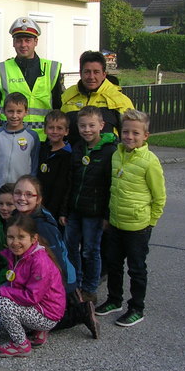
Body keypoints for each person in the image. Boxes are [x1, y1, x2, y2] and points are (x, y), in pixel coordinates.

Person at [96, 109, 166, 327]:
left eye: (136, 133)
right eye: (126, 132)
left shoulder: (149, 161)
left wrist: (150, 222)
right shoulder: (116, 154)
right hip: (116, 223)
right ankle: (114, 299)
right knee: (114, 264)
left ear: (146, 135)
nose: (129, 137)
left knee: (136, 268)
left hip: (138, 226)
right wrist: (108, 216)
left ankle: (137, 307)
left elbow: (159, 196)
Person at [13, 175, 98, 339]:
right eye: (18, 193)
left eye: (29, 194)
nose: (22, 198)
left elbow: (56, 263)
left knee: (32, 322)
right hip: (38, 275)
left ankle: (81, 312)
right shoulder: (20, 216)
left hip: (61, 281)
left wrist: (61, 292)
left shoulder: (42, 226)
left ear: (38, 199)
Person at [0, 214, 66, 357]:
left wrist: (0, 291)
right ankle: (34, 330)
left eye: (21, 237)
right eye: (11, 237)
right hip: (31, 307)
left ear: (34, 238)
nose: (15, 242)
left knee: (2, 303)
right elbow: (15, 282)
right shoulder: (16, 255)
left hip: (46, 313)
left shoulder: (39, 261)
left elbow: (32, 297)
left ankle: (21, 345)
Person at [63, 106, 117, 304]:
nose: (87, 130)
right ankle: (74, 284)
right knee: (70, 247)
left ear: (101, 126)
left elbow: (112, 187)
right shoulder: (77, 148)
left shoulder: (110, 151)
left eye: (92, 125)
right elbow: (70, 181)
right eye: (83, 125)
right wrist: (64, 209)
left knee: (90, 250)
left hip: (94, 212)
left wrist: (107, 216)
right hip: (75, 209)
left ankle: (90, 288)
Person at [0, 17, 62, 140]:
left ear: (36, 41)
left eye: (27, 40)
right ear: (13, 43)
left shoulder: (52, 69)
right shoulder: (2, 69)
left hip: (44, 141)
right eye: (19, 40)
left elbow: (59, 107)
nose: (23, 45)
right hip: (9, 139)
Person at [0, 92, 40, 215]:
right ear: (3, 111)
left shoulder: (32, 137)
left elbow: (34, 167)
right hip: (0, 191)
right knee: (1, 225)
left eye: (19, 111)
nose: (14, 116)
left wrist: (32, 191)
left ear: (26, 112)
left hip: (22, 193)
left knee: (20, 224)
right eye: (10, 111)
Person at [61, 50, 134, 146]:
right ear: (80, 73)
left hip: (108, 159)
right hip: (73, 158)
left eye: (96, 72)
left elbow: (132, 137)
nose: (91, 77)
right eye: (87, 72)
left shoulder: (119, 100)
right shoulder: (67, 96)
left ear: (104, 74)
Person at [37, 109, 71, 228]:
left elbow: (65, 186)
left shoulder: (68, 155)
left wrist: (63, 211)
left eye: (59, 128)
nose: (55, 131)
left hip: (57, 210)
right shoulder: (42, 150)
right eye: (51, 128)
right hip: (39, 205)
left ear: (66, 131)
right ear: (45, 129)